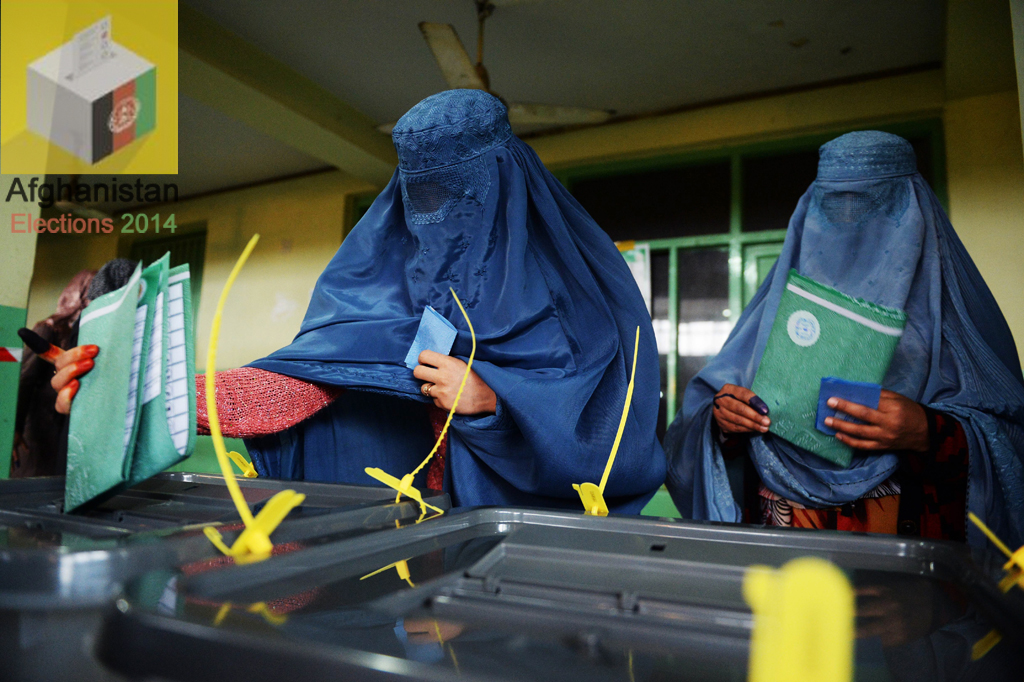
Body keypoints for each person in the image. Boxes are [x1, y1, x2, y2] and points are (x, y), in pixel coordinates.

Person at [51, 89, 666, 512]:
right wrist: (136, 388)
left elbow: (617, 446)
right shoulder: (374, 285)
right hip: (396, 556)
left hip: (524, 577)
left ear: (506, 178)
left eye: (456, 191)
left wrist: (493, 404)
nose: (436, 218)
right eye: (419, 196)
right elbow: (292, 388)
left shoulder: (585, 303)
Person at [664, 131, 1024, 548]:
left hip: (911, 583)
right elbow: (700, 424)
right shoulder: (772, 314)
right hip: (782, 574)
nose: (852, 223)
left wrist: (929, 430)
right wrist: (725, 421)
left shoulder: (954, 322)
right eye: (833, 208)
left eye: (875, 205)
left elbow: (1012, 441)